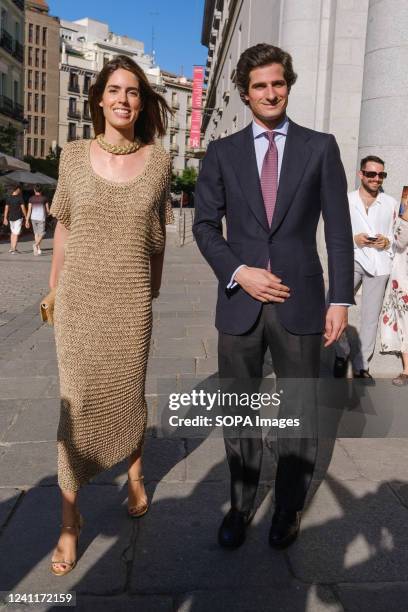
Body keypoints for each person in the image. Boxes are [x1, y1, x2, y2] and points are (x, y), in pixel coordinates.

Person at [193, 44, 354, 549]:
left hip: (302, 300)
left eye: (278, 83)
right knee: (238, 412)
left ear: (289, 84)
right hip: (240, 303)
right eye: (260, 85)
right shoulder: (221, 153)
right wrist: (240, 271)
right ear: (245, 93)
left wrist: (341, 298)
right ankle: (240, 508)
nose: (270, 92)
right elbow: (204, 226)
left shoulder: (320, 147)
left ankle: (286, 509)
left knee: (300, 413)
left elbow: (339, 230)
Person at [48, 54, 172, 576]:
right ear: (98, 98)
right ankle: (70, 523)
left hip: (130, 301)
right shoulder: (73, 156)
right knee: (75, 406)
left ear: (142, 103)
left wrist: (153, 289)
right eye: (116, 90)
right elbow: (65, 226)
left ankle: (136, 474)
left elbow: (158, 235)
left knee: (127, 393)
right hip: (77, 302)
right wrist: (52, 289)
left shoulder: (160, 160)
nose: (124, 99)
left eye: (135, 92)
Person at [333, 156, 398, 381]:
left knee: (371, 317)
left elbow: (395, 234)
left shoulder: (390, 202)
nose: (376, 179)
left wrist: (386, 242)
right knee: (334, 304)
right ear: (361, 174)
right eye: (371, 174)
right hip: (352, 259)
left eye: (381, 175)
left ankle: (362, 365)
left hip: (380, 264)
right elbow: (335, 231)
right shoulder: (347, 200)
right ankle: (341, 352)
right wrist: (354, 239)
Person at [380, 196, 408, 385]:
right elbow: (399, 242)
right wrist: (405, 216)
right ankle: (407, 370)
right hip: (403, 273)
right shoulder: (402, 211)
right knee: (405, 318)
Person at [26, 184, 50, 255]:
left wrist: (27, 220)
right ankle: (36, 245)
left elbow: (29, 210)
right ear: (41, 190)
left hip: (33, 218)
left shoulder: (31, 199)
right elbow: (48, 210)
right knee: (42, 233)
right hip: (41, 218)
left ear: (34, 190)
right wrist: (49, 213)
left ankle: (37, 249)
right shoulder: (44, 198)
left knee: (36, 233)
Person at [2, 184, 27, 253]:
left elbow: (6, 209)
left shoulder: (9, 198)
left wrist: (5, 218)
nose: (20, 191)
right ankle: (13, 249)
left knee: (13, 233)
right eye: (20, 190)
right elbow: (23, 208)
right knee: (16, 234)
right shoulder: (20, 198)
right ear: (18, 189)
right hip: (18, 218)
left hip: (10, 218)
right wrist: (26, 217)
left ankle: (12, 248)